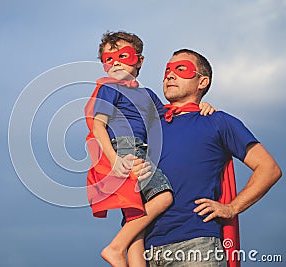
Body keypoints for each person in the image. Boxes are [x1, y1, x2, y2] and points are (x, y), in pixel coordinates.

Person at [132, 48, 282, 266]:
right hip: (145, 249)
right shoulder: (149, 125)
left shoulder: (217, 121)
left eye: (181, 69)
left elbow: (269, 168)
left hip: (197, 246)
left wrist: (231, 207)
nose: (170, 75)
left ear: (202, 82)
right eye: (167, 71)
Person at [85, 31, 216, 267]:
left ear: (139, 60)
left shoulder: (147, 95)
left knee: (137, 220)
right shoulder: (109, 87)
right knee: (163, 197)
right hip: (126, 150)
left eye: (123, 56)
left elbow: (171, 114)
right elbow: (97, 126)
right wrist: (115, 160)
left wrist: (200, 105)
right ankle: (115, 247)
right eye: (108, 59)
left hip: (138, 150)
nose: (115, 62)